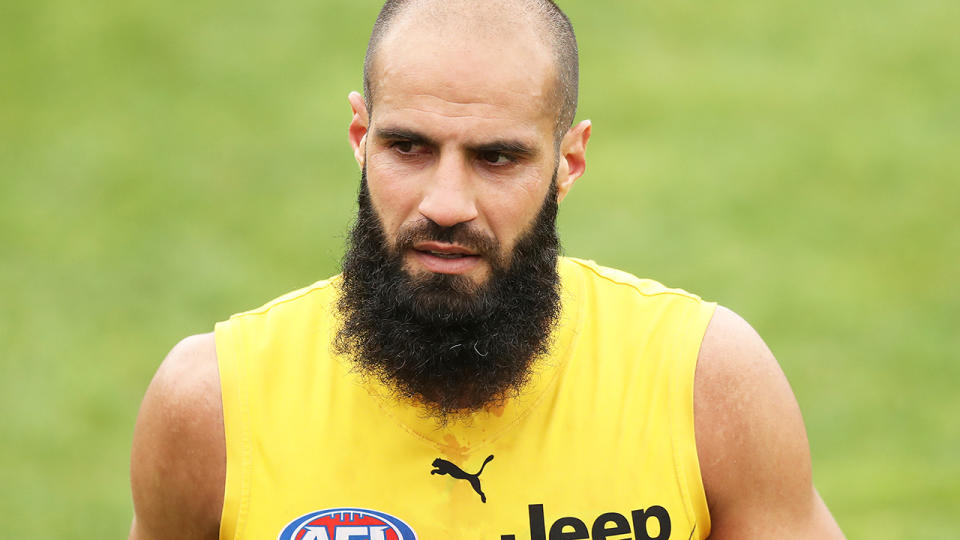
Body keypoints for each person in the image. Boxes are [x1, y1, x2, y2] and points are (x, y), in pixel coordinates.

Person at [129, 1, 845, 538]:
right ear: (360, 137)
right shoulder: (213, 407)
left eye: (496, 157)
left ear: (568, 159)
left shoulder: (705, 384)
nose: (445, 204)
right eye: (407, 147)